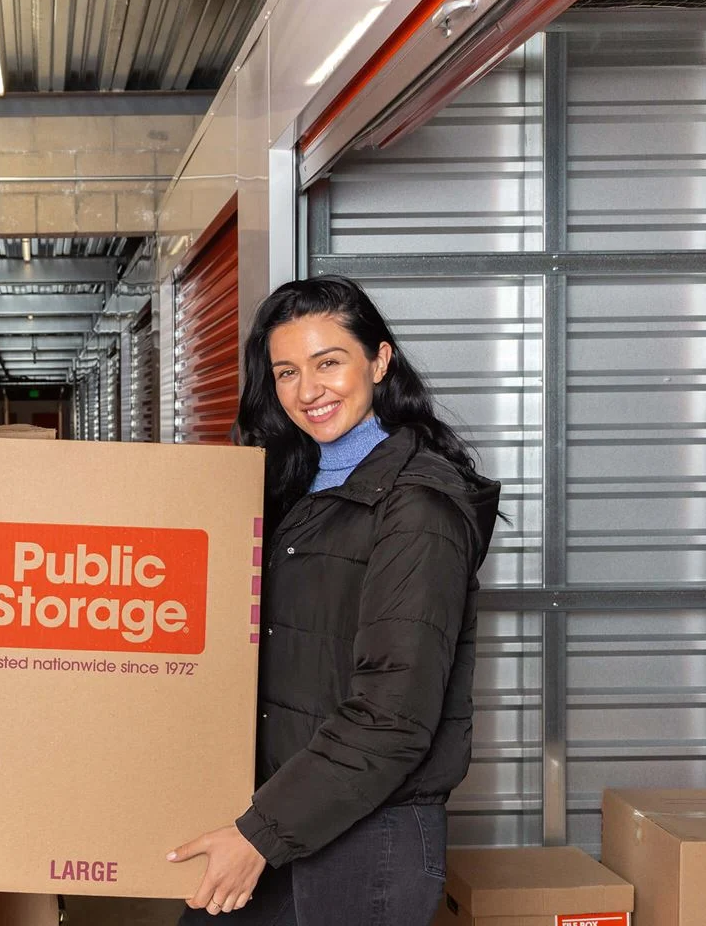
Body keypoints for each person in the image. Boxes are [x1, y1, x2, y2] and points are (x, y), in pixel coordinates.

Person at [169, 275, 501, 925]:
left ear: (379, 361)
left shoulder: (417, 507)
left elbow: (394, 714)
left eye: (329, 363)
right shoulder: (290, 484)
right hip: (284, 812)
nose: (308, 390)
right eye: (286, 371)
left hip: (366, 841)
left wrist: (260, 834)